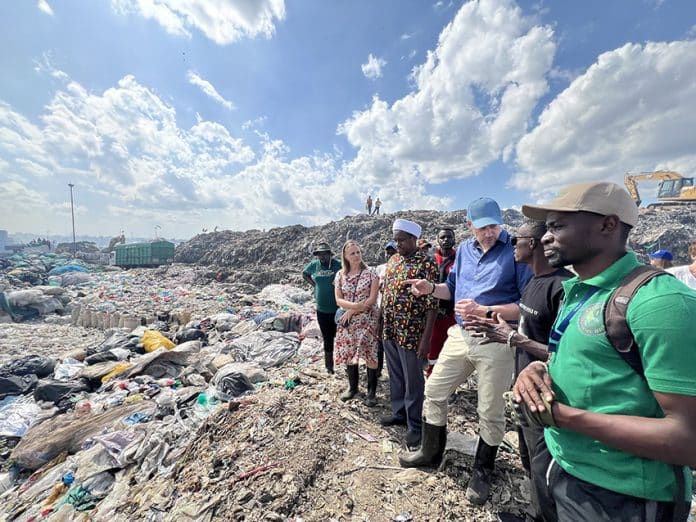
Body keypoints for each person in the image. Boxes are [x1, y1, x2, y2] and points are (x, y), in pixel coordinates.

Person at [514, 181, 696, 522]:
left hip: (624, 497)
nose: (545, 237)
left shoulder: (660, 302)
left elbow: (688, 439)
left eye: (557, 226)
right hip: (566, 469)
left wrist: (564, 417)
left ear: (607, 225)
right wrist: (537, 371)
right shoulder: (580, 291)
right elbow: (583, 362)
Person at [398, 197, 532, 506]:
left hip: (496, 340)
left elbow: (525, 305)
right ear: (469, 226)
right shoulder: (465, 253)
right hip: (460, 336)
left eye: (494, 226)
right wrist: (431, 288)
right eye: (482, 227)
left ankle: (482, 470)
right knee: (434, 390)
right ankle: (430, 452)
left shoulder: (513, 252)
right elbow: (452, 289)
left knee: (490, 410)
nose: (489, 233)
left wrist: (485, 310)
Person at [465, 220, 572, 522]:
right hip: (524, 389)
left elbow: (566, 353)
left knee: (546, 465)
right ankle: (535, 515)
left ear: (534, 244)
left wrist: (514, 339)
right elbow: (527, 329)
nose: (512, 245)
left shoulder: (561, 287)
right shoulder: (533, 283)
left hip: (548, 395)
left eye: (516, 239)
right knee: (530, 460)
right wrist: (499, 328)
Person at [380, 219, 438, 448]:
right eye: (395, 240)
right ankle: (399, 413)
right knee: (396, 374)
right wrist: (380, 323)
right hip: (391, 329)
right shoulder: (393, 260)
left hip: (412, 332)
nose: (398, 244)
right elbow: (386, 295)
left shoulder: (427, 263)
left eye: (402, 240)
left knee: (413, 380)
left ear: (414, 239)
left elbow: (433, 305)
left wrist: (426, 339)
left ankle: (415, 425)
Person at [334, 240, 381, 406]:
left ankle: (371, 392)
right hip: (347, 321)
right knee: (348, 352)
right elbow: (338, 299)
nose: (356, 256)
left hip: (367, 318)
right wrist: (354, 308)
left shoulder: (371, 273)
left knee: (370, 353)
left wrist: (353, 310)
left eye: (358, 252)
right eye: (352, 253)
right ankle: (352, 388)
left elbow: (372, 299)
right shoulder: (340, 275)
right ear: (345, 256)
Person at [302, 242, 342, 374]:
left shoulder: (337, 265)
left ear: (330, 254)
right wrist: (315, 285)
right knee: (327, 337)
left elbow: (347, 275)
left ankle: (345, 362)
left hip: (337, 308)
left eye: (325, 254)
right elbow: (305, 273)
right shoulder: (314, 265)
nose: (322, 256)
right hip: (322, 309)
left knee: (341, 336)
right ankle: (329, 366)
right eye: (320, 254)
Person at [426, 228, 457, 377]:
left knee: (450, 346)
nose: (446, 240)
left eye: (449, 237)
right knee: (433, 345)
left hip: (452, 312)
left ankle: (449, 379)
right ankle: (431, 376)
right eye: (443, 237)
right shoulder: (430, 259)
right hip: (432, 312)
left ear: (454, 239)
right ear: (437, 240)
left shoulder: (460, 259)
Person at [375, 241, 398, 376]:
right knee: (379, 340)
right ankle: (377, 370)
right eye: (388, 252)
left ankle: (393, 370)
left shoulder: (401, 267)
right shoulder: (380, 268)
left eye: (392, 252)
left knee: (392, 341)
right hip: (380, 309)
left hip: (395, 311)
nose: (389, 255)